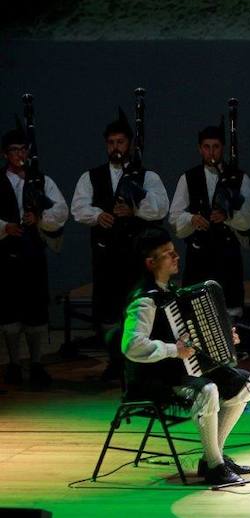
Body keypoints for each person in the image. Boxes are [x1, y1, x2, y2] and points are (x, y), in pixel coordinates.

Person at [121, 227, 250, 485]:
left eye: (174, 252)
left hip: (177, 371)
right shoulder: (144, 301)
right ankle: (215, 466)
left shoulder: (170, 293)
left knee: (244, 382)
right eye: (168, 254)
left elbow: (191, 336)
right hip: (154, 378)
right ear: (151, 263)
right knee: (208, 390)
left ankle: (211, 456)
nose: (176, 257)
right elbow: (132, 346)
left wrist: (225, 338)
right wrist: (173, 350)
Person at [71, 110, 169, 377]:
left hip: (135, 256)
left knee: (136, 309)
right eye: (111, 142)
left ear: (130, 145)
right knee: (108, 311)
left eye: (121, 142)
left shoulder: (146, 177)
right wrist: (97, 215)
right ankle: (115, 360)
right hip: (106, 257)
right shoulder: (91, 177)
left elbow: (161, 208)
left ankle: (136, 363)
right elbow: (78, 208)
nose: (116, 147)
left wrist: (135, 211)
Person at [169, 125, 250, 318]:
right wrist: (191, 219)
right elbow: (175, 216)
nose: (211, 152)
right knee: (195, 313)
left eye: (216, 146)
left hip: (228, 256)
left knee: (230, 309)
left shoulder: (238, 177)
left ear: (223, 148)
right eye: (206, 147)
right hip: (198, 256)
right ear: (200, 149)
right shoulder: (189, 178)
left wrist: (229, 217)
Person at [1, 128, 68, 385]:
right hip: (6, 253)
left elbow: (61, 210)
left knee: (35, 309)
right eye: (14, 150)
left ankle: (37, 363)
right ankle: (14, 363)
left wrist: (39, 219)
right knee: (10, 311)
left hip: (32, 252)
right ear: (5, 154)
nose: (19, 155)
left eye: (23, 149)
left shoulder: (41, 180)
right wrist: (4, 227)